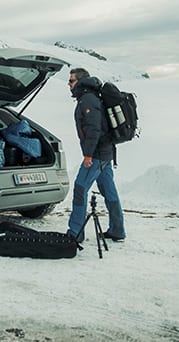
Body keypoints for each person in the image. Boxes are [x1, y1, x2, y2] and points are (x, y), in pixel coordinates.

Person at [66, 67, 126, 242]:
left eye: (71, 81)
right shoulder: (91, 97)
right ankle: (117, 230)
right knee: (110, 192)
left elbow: (94, 129)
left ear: (80, 81)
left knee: (80, 188)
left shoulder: (88, 100)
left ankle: (75, 233)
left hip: (97, 154)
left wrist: (88, 155)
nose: (68, 84)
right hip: (106, 154)